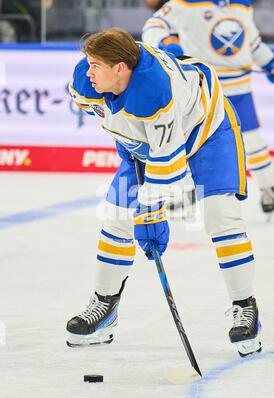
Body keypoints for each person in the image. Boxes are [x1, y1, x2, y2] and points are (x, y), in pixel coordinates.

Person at [66, 27, 261, 357]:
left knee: (220, 215)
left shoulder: (155, 90)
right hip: (146, 143)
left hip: (207, 131)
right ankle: (104, 307)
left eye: (96, 64)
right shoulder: (86, 81)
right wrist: (130, 148)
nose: (88, 71)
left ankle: (246, 307)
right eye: (88, 62)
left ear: (120, 68)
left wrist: (152, 214)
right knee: (117, 217)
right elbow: (115, 121)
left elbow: (169, 165)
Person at [142, 0, 274, 218]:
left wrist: (273, 65)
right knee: (190, 141)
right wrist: (165, 42)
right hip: (204, 87)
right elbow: (154, 26)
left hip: (239, 88)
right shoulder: (184, 3)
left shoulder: (242, 5)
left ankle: (267, 187)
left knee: (252, 141)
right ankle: (187, 189)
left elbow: (253, 43)